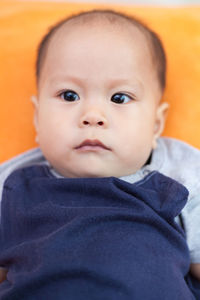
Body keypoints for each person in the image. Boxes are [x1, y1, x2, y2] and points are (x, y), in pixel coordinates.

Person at [0, 9, 200, 299]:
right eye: (69, 95)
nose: (92, 116)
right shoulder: (13, 184)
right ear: (37, 118)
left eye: (120, 97)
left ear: (156, 124)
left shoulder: (181, 174)